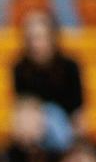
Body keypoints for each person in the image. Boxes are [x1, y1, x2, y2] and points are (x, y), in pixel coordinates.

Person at [13, 9, 85, 151]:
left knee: (49, 116)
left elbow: (78, 108)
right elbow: (22, 102)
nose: (36, 43)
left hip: (63, 123)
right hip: (32, 121)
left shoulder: (70, 65)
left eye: (40, 37)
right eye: (32, 38)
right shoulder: (20, 67)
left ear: (52, 37)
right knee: (27, 119)